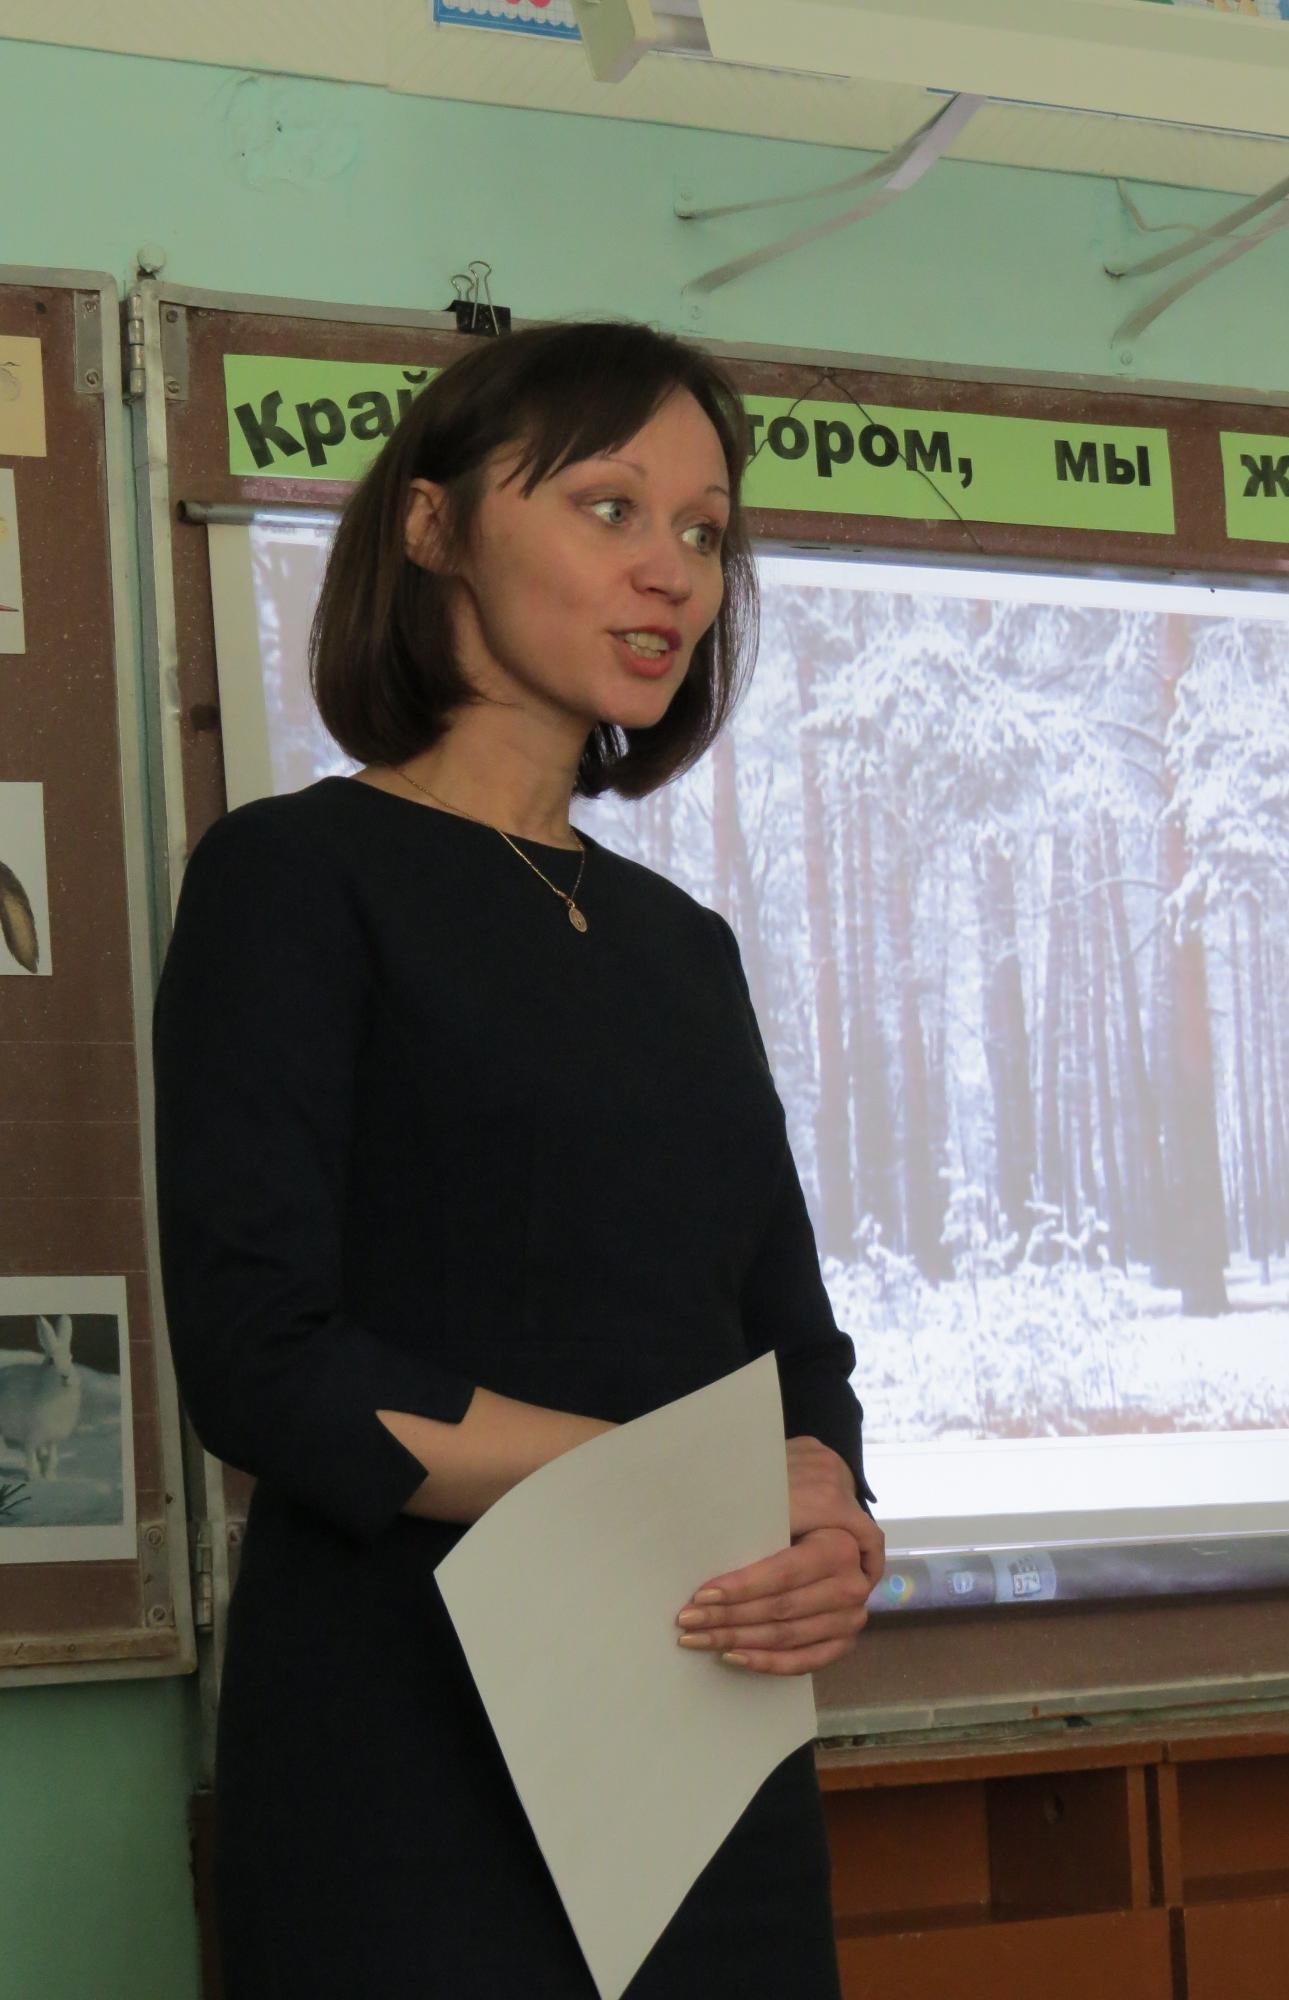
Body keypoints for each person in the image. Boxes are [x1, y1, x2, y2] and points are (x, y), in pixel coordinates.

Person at [153, 319, 885, 1999]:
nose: (673, 573)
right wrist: (673, 1489)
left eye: (703, 531)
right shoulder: (292, 878)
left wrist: (835, 1522)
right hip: (407, 1754)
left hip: (706, 1748)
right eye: (610, 508)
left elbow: (794, 1351)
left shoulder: (682, 946)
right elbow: (268, 1366)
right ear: (433, 526)